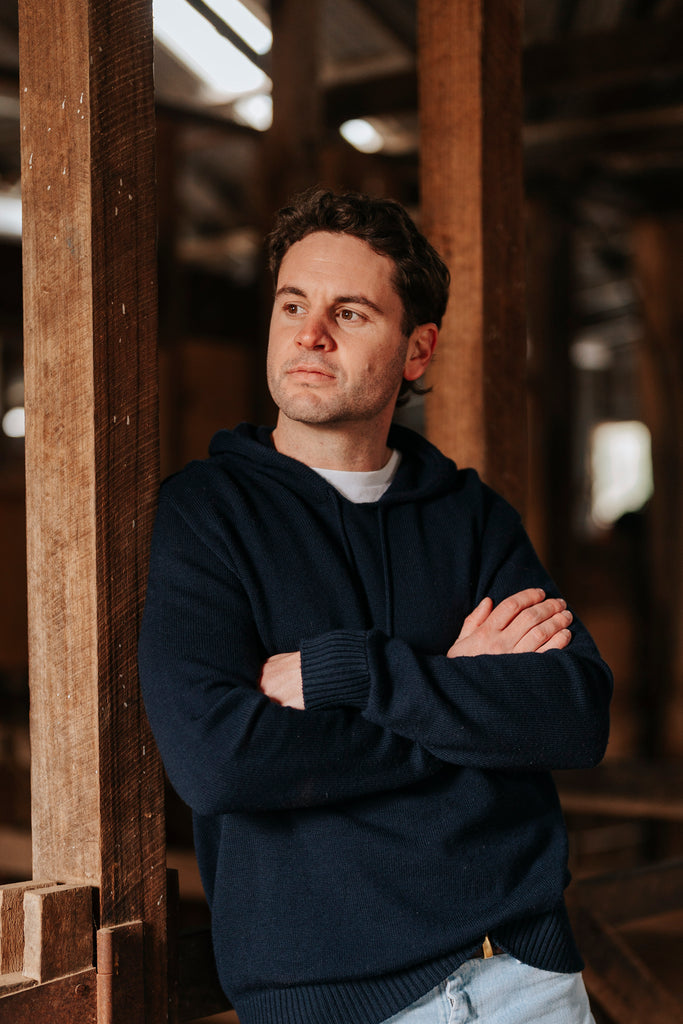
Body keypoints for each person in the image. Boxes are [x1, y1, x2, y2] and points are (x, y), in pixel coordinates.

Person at [138, 187, 612, 1024]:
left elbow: (574, 716)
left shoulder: (471, 516)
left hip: (521, 975)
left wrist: (358, 672)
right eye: (293, 304)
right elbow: (219, 762)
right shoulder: (204, 514)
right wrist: (458, 695)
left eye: (349, 312)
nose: (309, 333)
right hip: (330, 1001)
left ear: (417, 350)